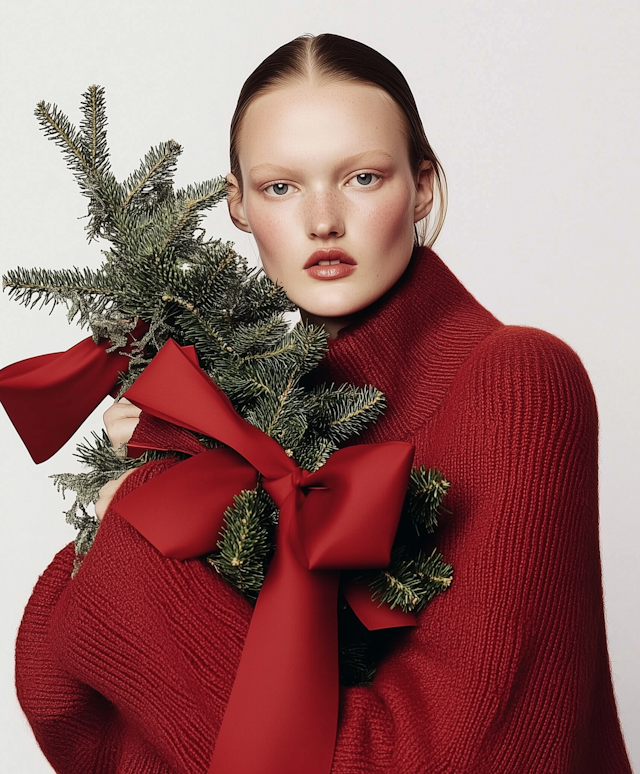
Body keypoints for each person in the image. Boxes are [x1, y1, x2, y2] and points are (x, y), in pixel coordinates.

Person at [15, 33, 632, 774]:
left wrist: (143, 517)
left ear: (424, 186)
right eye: (281, 187)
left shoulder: (518, 381)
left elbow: (440, 762)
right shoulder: (255, 415)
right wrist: (183, 467)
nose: (323, 221)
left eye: (364, 178)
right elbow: (68, 705)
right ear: (238, 205)